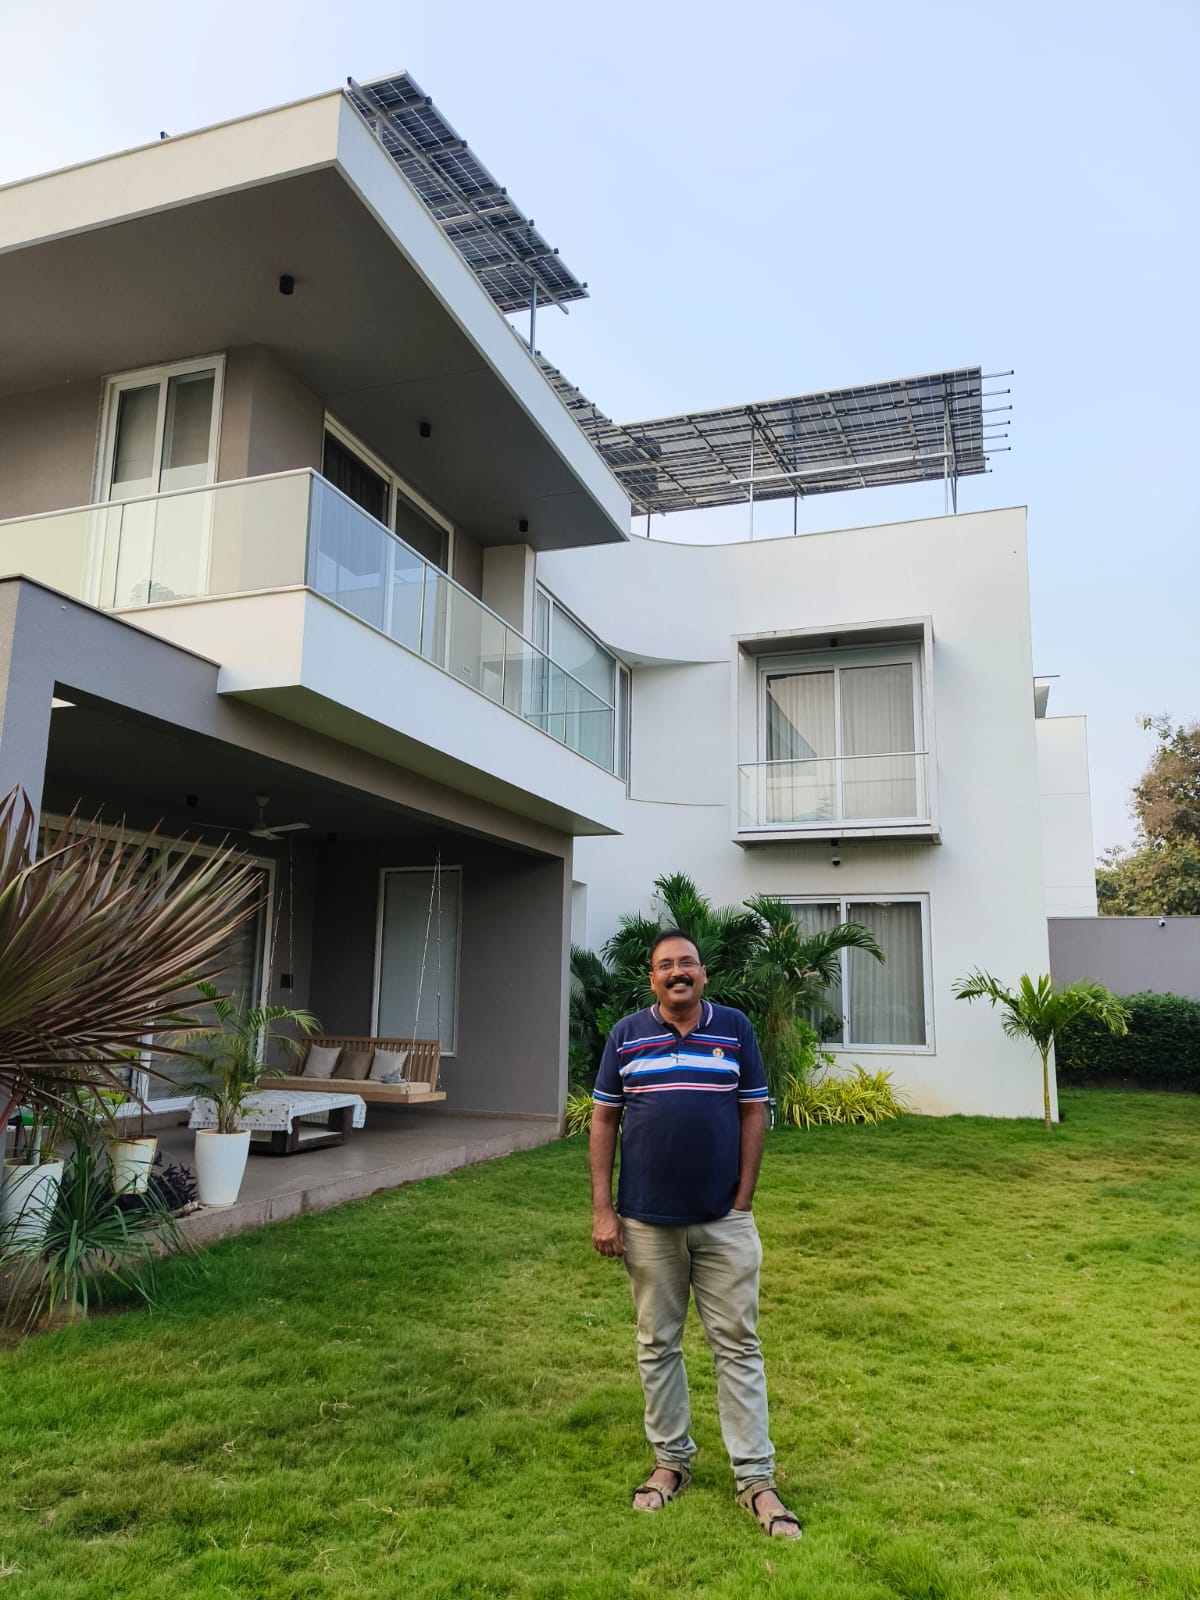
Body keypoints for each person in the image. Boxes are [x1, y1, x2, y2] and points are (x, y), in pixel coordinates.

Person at [589, 929, 802, 1539]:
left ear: (703, 974)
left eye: (687, 963)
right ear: (652, 978)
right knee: (657, 1342)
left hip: (723, 1221)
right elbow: (604, 1119)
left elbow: (753, 1109)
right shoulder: (626, 1035)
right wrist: (604, 1210)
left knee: (738, 1345)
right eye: (665, 965)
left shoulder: (733, 1028)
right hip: (646, 1220)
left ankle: (755, 1479)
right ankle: (671, 1463)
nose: (677, 972)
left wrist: (743, 1199)